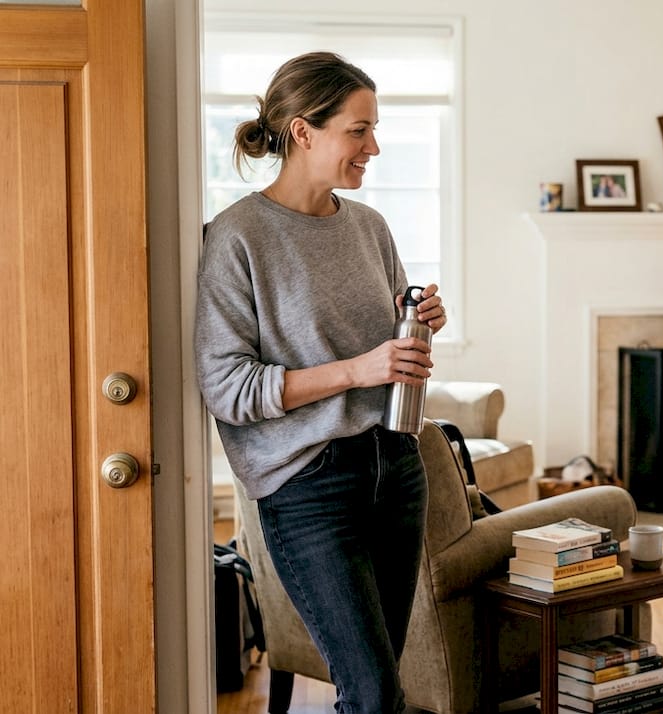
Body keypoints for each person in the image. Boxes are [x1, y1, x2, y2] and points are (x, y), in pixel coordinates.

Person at [195, 51, 447, 714]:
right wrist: (358, 370)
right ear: (304, 131)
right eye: (358, 130)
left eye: (375, 129)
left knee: (379, 688)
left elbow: (387, 350)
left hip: (394, 465)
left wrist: (420, 325)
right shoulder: (236, 237)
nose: (375, 147)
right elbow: (227, 389)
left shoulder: (370, 227)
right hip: (306, 484)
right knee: (371, 693)